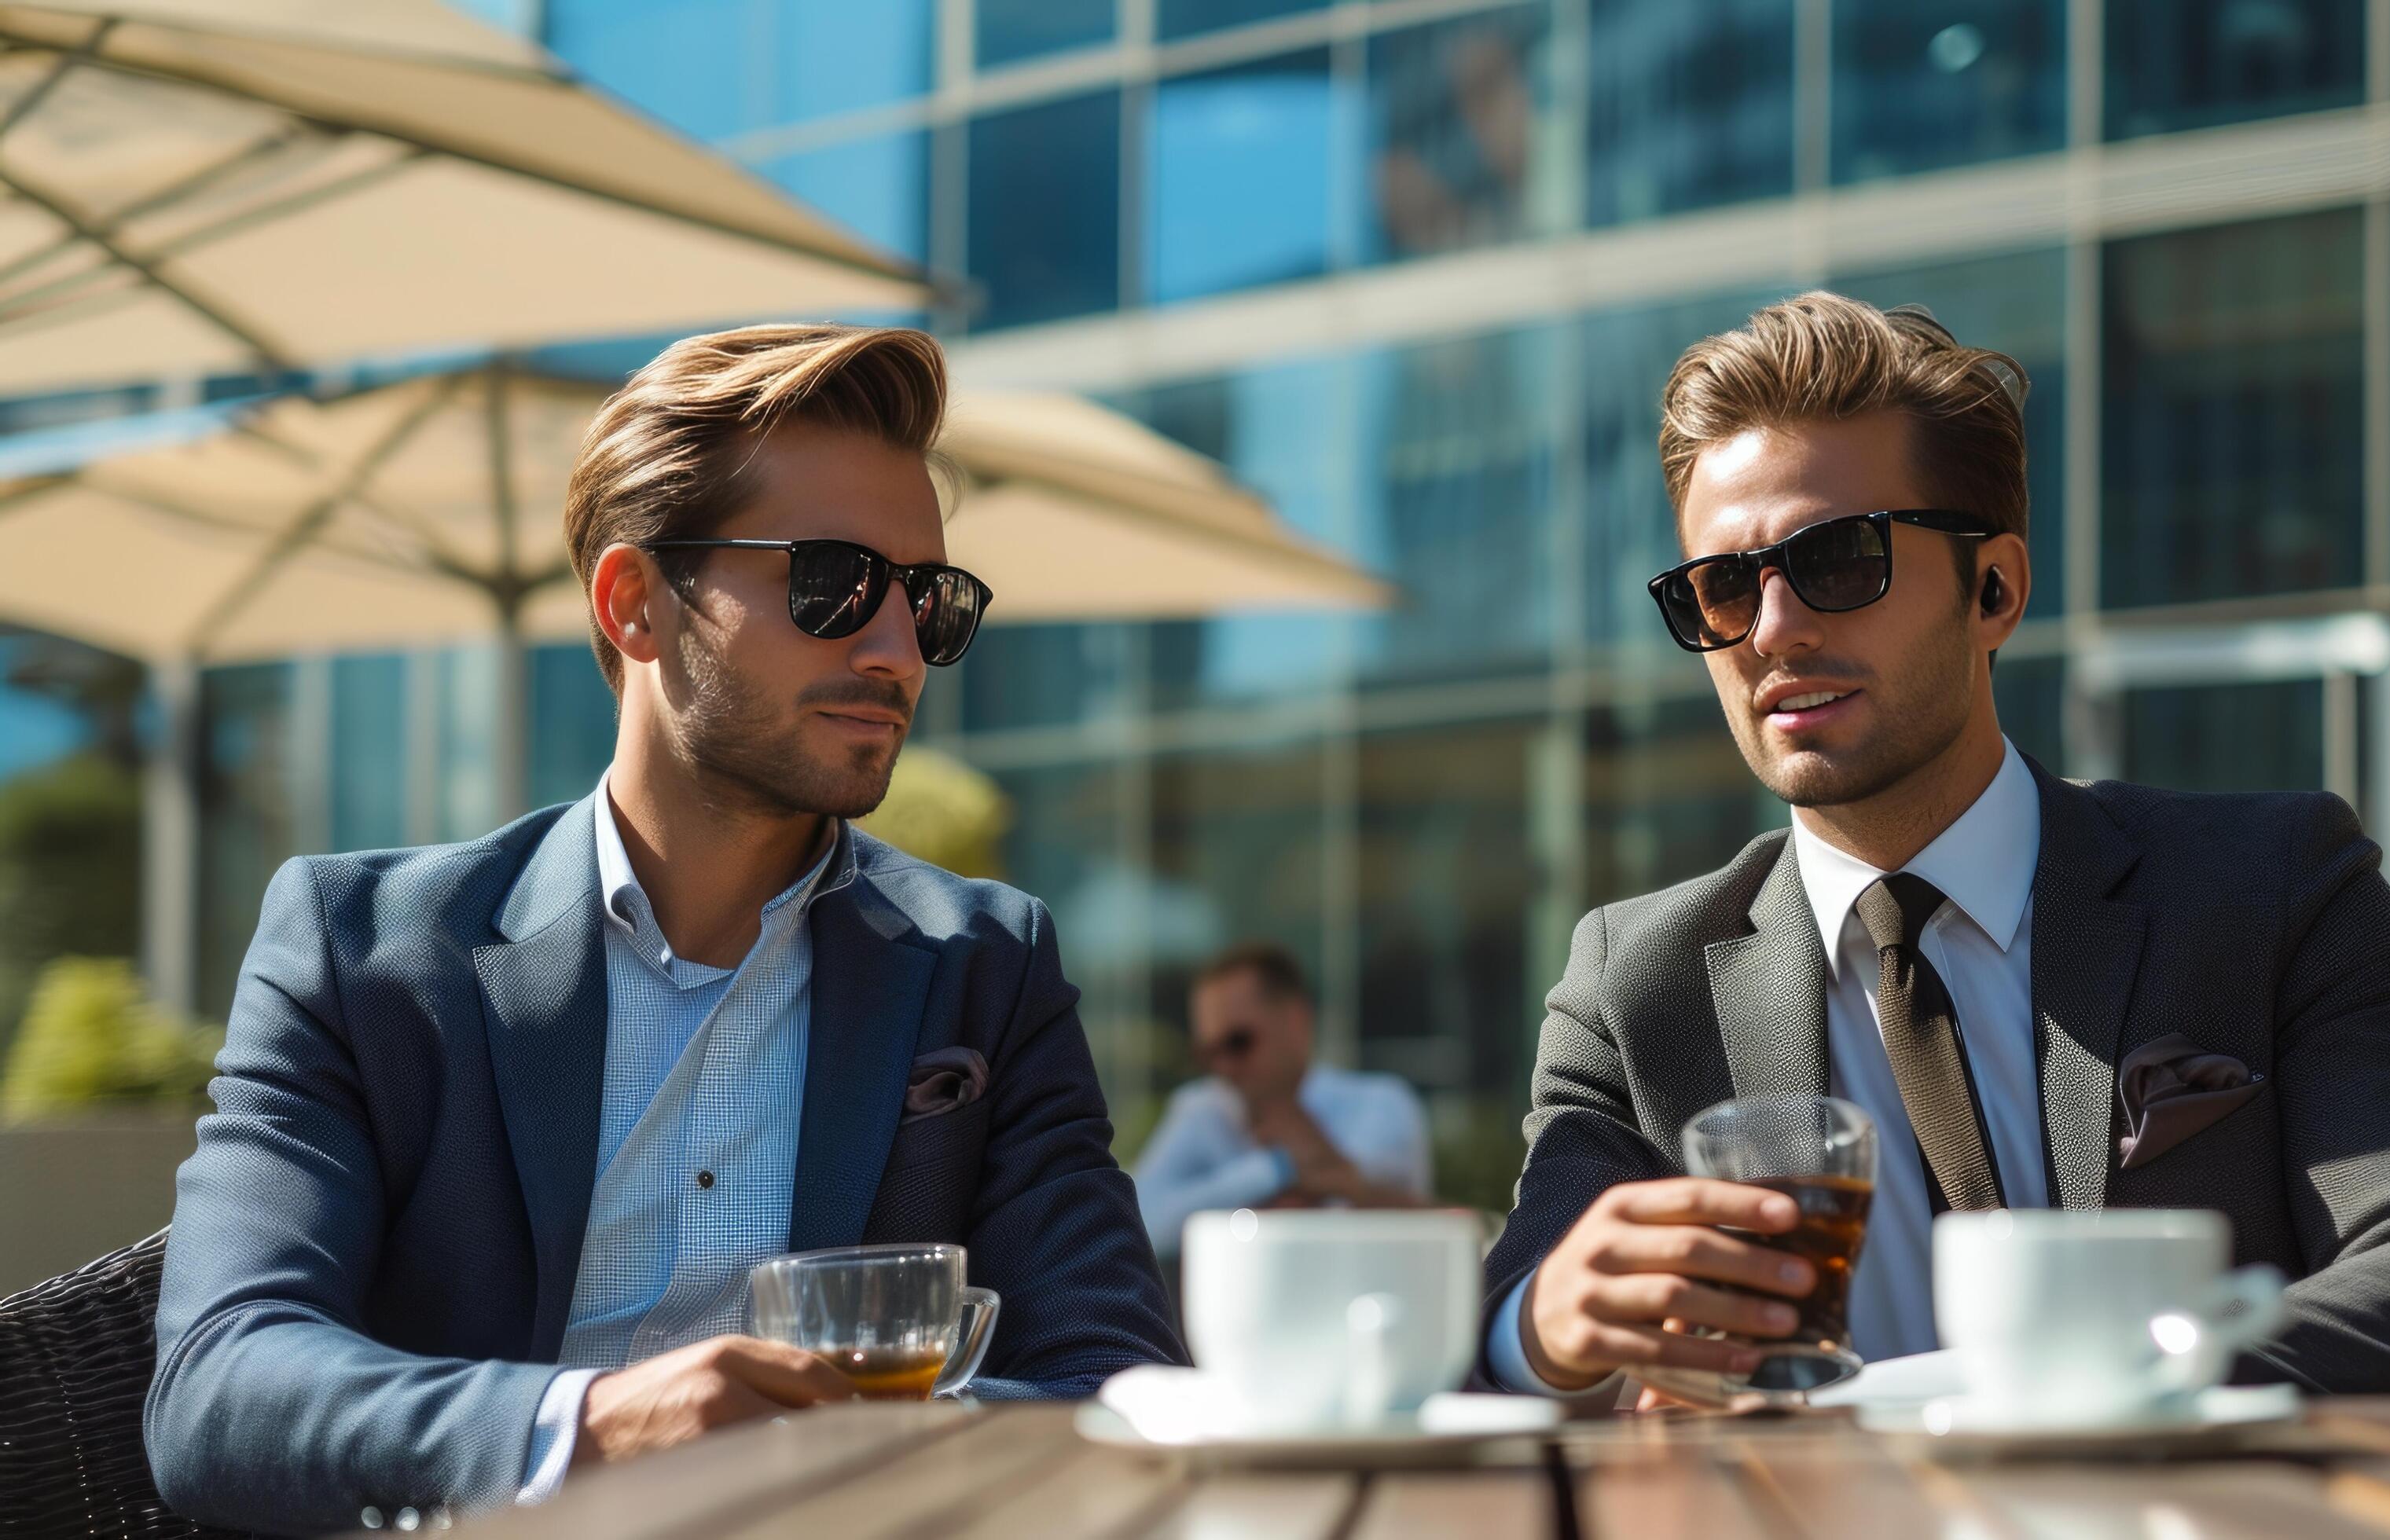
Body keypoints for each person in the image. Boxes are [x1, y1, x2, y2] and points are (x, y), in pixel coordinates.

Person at [147, 325, 1184, 1533]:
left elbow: (1110, 1383)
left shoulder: (983, 971)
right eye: (834, 582)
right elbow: (220, 1386)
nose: (898, 650)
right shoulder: (364, 950)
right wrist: (588, 1429)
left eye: (929, 602)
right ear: (636, 604)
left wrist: (855, 1453)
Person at [1480, 294, 2390, 1408]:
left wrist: (2104, 1388)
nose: (1773, 631)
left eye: (1839, 561)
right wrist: (1546, 1332)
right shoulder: (1635, 982)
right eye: (1722, 586)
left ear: (1993, 589)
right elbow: (1502, 1341)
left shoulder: (2269, 888)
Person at [1131, 942, 1432, 1259]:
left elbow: (1399, 1220)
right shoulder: (1200, 1109)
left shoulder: (1381, 1104)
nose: (1224, 1067)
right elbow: (1141, 1223)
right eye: (1208, 1053)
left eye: (1238, 1042)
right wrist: (1276, 1169)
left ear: (1296, 1021)